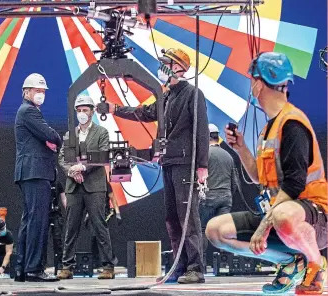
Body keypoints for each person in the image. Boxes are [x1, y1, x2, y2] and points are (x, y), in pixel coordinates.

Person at [206, 52, 328, 295]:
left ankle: (316, 263)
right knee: (215, 230)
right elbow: (258, 178)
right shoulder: (268, 128)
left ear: (260, 83)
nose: (251, 84)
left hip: (314, 219)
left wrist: (263, 226)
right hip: (281, 216)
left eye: (252, 79)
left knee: (282, 215)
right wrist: (240, 148)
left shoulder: (292, 124)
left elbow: (293, 186)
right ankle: (289, 262)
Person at [105, 48, 209, 283]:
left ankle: (196, 268)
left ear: (178, 67)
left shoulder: (193, 94)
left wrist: (202, 165)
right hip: (169, 162)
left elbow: (201, 130)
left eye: (165, 63)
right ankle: (179, 266)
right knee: (172, 217)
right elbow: (145, 112)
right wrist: (116, 109)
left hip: (185, 163)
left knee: (187, 217)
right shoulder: (166, 96)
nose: (160, 68)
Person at [58, 95, 116, 280]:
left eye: (85, 110)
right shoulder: (69, 134)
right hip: (74, 187)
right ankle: (67, 266)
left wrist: (83, 168)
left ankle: (107, 266)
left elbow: (102, 156)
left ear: (92, 111)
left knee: (100, 226)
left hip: (95, 187)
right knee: (71, 227)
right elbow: (62, 158)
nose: (82, 113)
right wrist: (71, 171)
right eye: (79, 110)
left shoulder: (101, 132)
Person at [14, 73, 62, 282]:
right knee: (38, 222)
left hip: (31, 172)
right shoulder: (29, 112)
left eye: (43, 92)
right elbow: (52, 136)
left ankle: (21, 269)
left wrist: (48, 141)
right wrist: (52, 139)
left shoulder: (28, 112)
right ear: (26, 92)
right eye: (37, 91)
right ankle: (34, 269)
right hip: (35, 172)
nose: (41, 95)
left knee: (30, 221)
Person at [200, 124, 236, 270]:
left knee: (201, 230)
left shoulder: (204, 156)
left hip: (208, 197)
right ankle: (226, 265)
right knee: (224, 231)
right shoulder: (228, 156)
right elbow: (234, 182)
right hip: (225, 197)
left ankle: (200, 265)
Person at [86, 181, 121, 269]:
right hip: (93, 213)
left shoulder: (106, 184)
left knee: (103, 237)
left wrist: (117, 213)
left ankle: (108, 261)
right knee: (93, 237)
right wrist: (87, 215)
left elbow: (112, 198)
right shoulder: (90, 184)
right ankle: (95, 262)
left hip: (104, 213)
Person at [42, 176, 67, 274]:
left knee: (58, 240)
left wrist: (68, 210)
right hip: (44, 213)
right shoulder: (42, 183)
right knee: (43, 240)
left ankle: (59, 265)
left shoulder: (58, 184)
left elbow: (63, 199)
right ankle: (42, 264)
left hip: (56, 213)